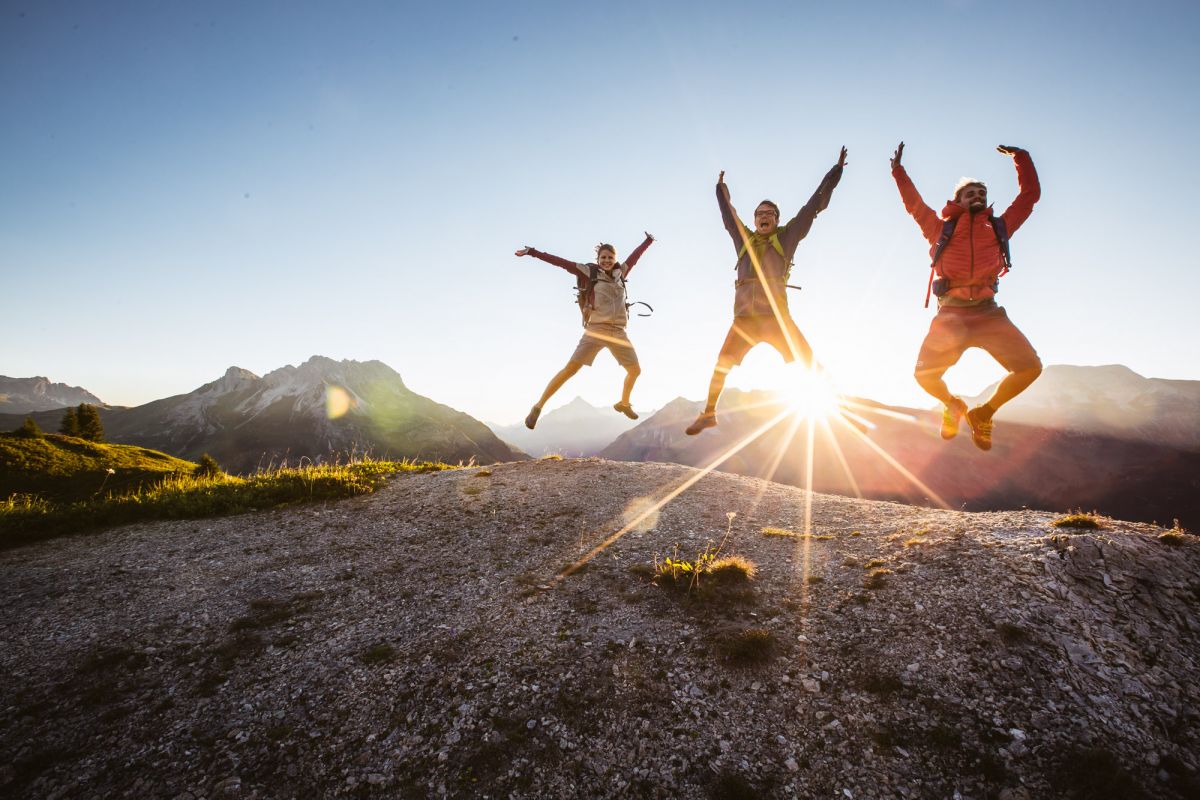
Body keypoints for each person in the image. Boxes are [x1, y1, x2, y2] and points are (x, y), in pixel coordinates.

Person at [891, 141, 1042, 451]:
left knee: (1030, 368)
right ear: (957, 199)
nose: (978, 196)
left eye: (982, 194)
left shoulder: (999, 227)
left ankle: (983, 413)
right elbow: (914, 204)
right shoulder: (939, 229)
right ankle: (953, 405)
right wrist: (898, 171)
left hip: (988, 313)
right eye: (970, 193)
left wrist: (1021, 158)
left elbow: (1029, 197)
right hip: (951, 316)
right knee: (923, 377)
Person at [686, 148, 846, 436]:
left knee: (809, 362)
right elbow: (728, 216)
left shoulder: (787, 236)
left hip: (777, 319)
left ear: (776, 218)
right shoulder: (744, 239)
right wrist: (721, 188)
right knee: (721, 367)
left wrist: (835, 173)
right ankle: (709, 413)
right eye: (759, 213)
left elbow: (812, 207)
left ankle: (841, 411)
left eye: (769, 213)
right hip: (744, 320)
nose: (763, 217)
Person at [516, 233, 654, 429]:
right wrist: (532, 252)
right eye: (603, 257)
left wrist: (648, 241)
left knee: (635, 370)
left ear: (615, 259)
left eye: (610, 258)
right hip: (596, 331)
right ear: (598, 259)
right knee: (570, 369)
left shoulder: (621, 273)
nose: (606, 261)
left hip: (619, 332)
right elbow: (560, 262)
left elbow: (635, 257)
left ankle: (624, 404)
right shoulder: (588, 272)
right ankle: (537, 407)